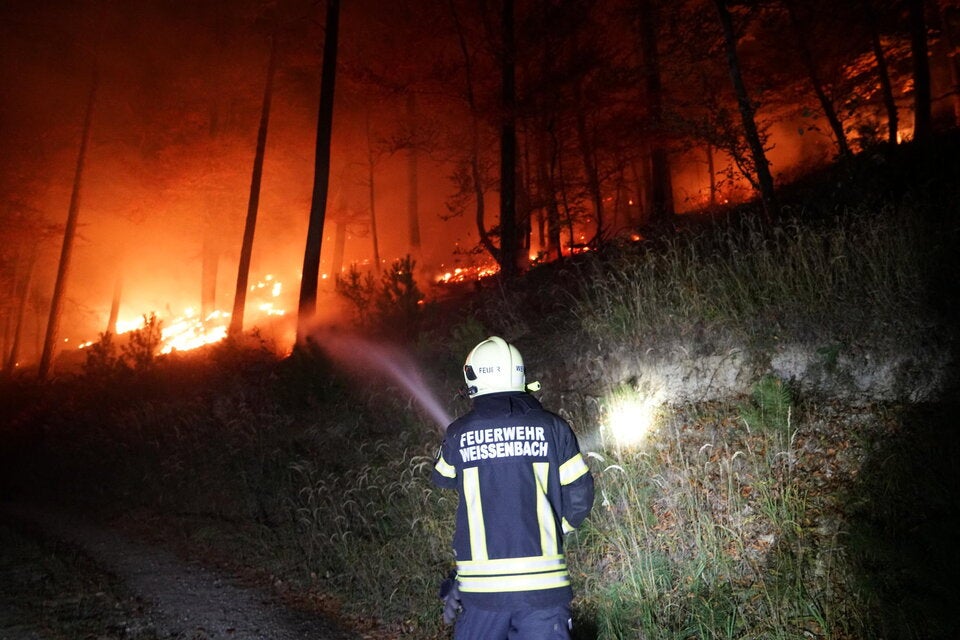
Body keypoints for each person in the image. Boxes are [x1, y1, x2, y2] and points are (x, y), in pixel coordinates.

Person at [431, 336, 595, 639]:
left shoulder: (458, 433)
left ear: (474, 377)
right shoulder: (554, 427)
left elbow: (443, 477)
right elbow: (580, 496)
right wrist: (551, 529)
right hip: (544, 590)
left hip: (481, 594)